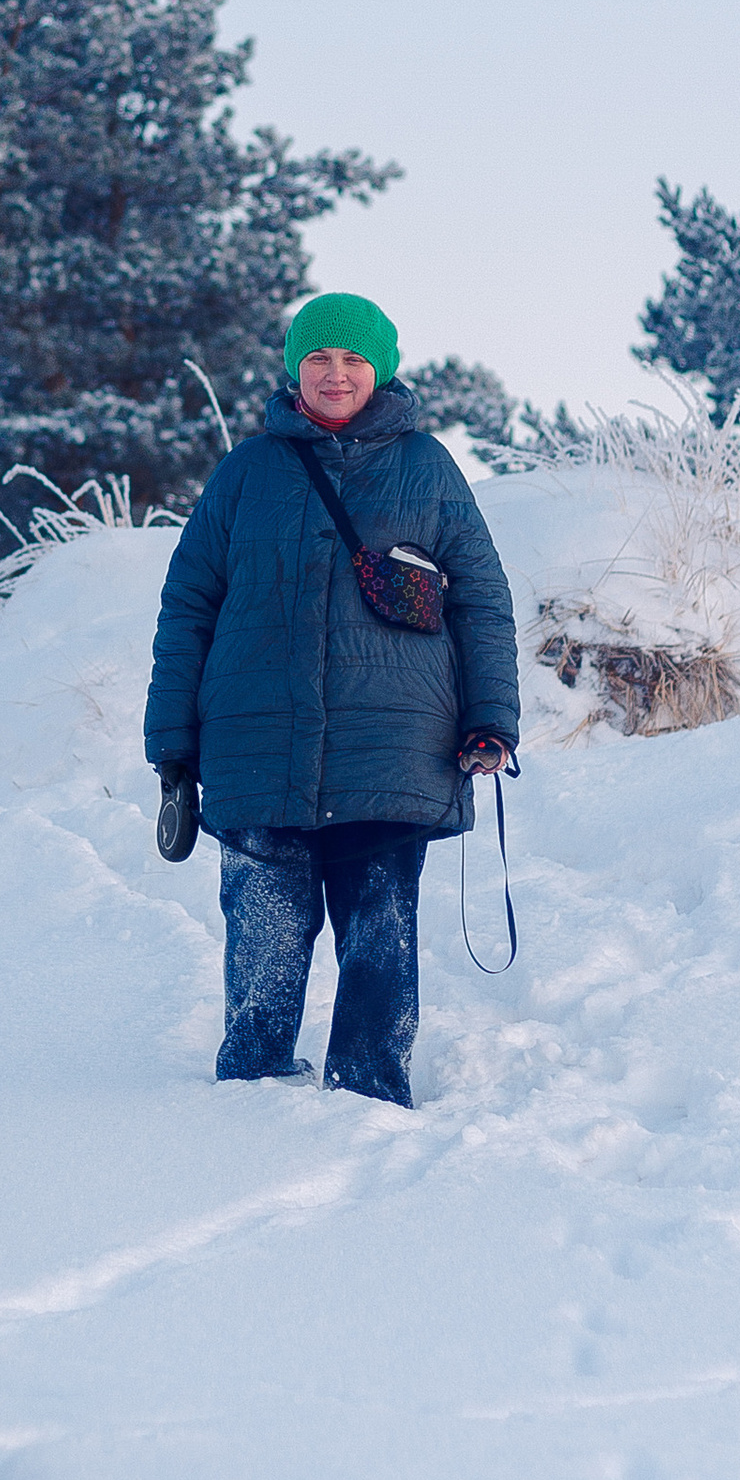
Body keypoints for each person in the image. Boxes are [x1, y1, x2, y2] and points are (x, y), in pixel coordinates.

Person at [144, 291, 520, 1107]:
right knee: (263, 939)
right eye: (318, 358)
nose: (336, 373)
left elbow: (481, 600)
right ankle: (252, 1086)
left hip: (392, 746)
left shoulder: (427, 467)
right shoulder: (246, 472)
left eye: (353, 359)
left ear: (379, 368)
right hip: (254, 746)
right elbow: (189, 604)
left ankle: (371, 1093)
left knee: (379, 936)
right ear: (294, 368)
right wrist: (173, 738)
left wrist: (491, 717)